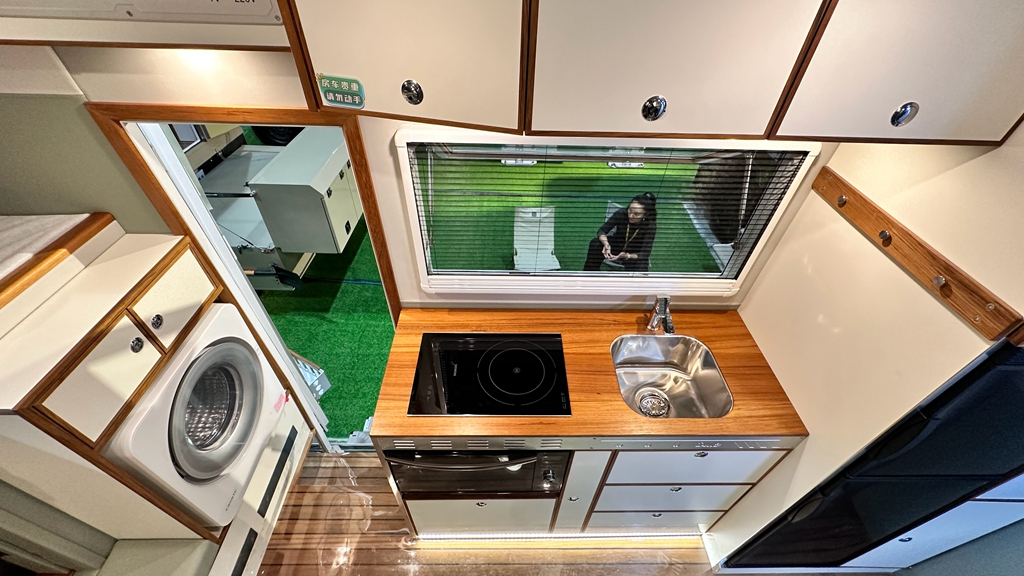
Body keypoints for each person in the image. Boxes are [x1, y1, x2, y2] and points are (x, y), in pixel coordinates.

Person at [584, 192, 657, 272]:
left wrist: (627, 256)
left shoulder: (650, 225)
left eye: (636, 214)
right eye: (630, 210)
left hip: (632, 253)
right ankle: (591, 274)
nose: (630, 215)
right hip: (617, 245)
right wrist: (606, 244)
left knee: (642, 263)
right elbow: (602, 231)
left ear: (645, 215)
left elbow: (645, 253)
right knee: (595, 243)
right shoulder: (622, 213)